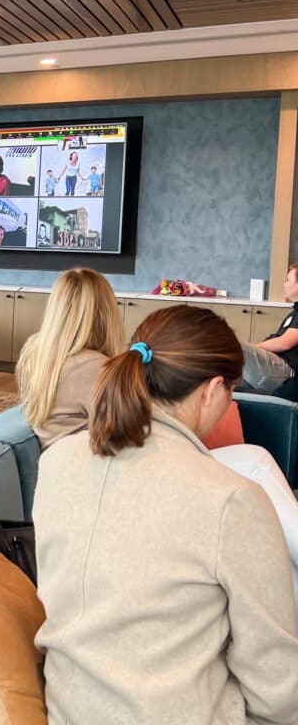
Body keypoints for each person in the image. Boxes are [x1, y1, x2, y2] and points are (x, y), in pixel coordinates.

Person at [34, 305, 298, 723]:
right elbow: (278, 688)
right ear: (212, 390)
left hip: (67, 710)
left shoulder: (55, 463)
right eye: (231, 392)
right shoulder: (234, 499)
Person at [15, 268, 125, 449]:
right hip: (87, 468)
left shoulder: (35, 350)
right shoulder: (95, 367)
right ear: (106, 311)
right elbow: (125, 435)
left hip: (55, 466)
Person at [240, 263, 298, 393]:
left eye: (288, 280)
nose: (284, 284)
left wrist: (255, 349)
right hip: (277, 363)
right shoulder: (295, 311)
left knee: (233, 346)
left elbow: (285, 343)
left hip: (287, 369)